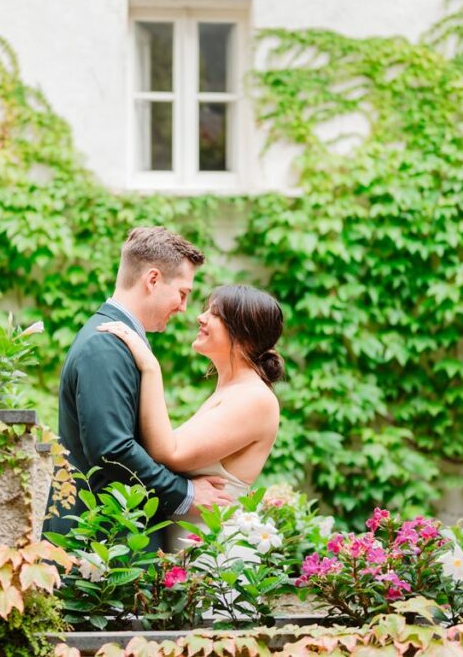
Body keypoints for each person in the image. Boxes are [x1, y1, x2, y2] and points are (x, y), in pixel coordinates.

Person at [43, 227, 234, 551]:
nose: (184, 308)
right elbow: (113, 449)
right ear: (153, 279)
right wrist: (185, 493)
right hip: (101, 548)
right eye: (183, 293)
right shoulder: (105, 346)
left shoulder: (119, 341)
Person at [97, 284, 284, 550]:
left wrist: (150, 367)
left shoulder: (255, 399)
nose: (201, 317)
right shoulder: (231, 391)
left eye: (215, 313)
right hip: (187, 550)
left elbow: (168, 452)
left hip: (212, 559)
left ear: (244, 334)